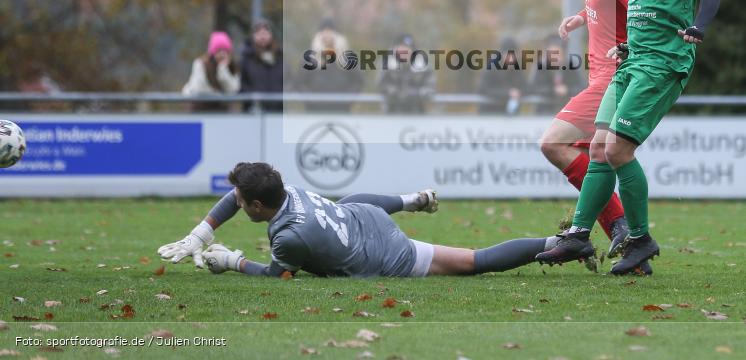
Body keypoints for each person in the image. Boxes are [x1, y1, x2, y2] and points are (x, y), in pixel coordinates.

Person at [537, 0, 721, 275]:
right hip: (631, 62)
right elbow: (639, 12)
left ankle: (635, 235)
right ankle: (581, 232)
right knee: (602, 148)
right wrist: (625, 43)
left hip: (658, 65)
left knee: (610, 150)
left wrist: (697, 28)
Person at [158, 162, 567, 278]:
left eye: (243, 202)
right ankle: (410, 200)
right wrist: (201, 233)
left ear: (260, 205)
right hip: (363, 216)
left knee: (475, 262)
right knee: (348, 202)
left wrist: (231, 260)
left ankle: (561, 243)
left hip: (386, 253)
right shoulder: (289, 190)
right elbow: (235, 194)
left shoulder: (289, 239)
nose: (237, 204)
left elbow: (276, 277)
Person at [537, 0, 641, 272]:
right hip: (599, 78)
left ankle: (614, 226)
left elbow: (649, 16)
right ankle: (628, 242)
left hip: (613, 80)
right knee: (596, 158)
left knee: (553, 142)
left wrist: (632, 49)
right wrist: (582, 17)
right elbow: (608, 4)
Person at [182, 31, 240, 111]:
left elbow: (233, 90)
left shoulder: (231, 67)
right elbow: (199, 89)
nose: (222, 54)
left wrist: (223, 70)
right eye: (219, 50)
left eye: (225, 50)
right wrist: (220, 96)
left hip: (222, 110)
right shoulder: (200, 64)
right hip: (199, 108)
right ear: (213, 52)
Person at [378, 34, 435, 114]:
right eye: (401, 49)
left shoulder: (423, 65)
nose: (404, 52)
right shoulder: (387, 64)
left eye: (407, 49)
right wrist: (396, 93)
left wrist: (418, 93)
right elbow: (381, 84)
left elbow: (430, 86)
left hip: (418, 111)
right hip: (392, 110)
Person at [529, 34, 584, 114]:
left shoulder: (571, 67)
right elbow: (532, 88)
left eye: (557, 54)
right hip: (543, 111)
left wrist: (567, 90)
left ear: (563, 54)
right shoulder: (540, 68)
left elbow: (582, 87)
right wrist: (553, 90)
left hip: (568, 111)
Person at [239, 19, 284, 112]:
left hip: (278, 111)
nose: (262, 36)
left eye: (266, 32)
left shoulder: (280, 58)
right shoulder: (246, 59)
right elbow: (242, 84)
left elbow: (288, 82)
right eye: (258, 32)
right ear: (253, 35)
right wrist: (253, 99)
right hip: (253, 112)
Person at [478, 38, 528, 114]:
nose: (511, 58)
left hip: (511, 117)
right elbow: (483, 89)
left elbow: (527, 87)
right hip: (489, 115)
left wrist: (519, 93)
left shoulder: (517, 70)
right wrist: (508, 93)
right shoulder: (491, 68)